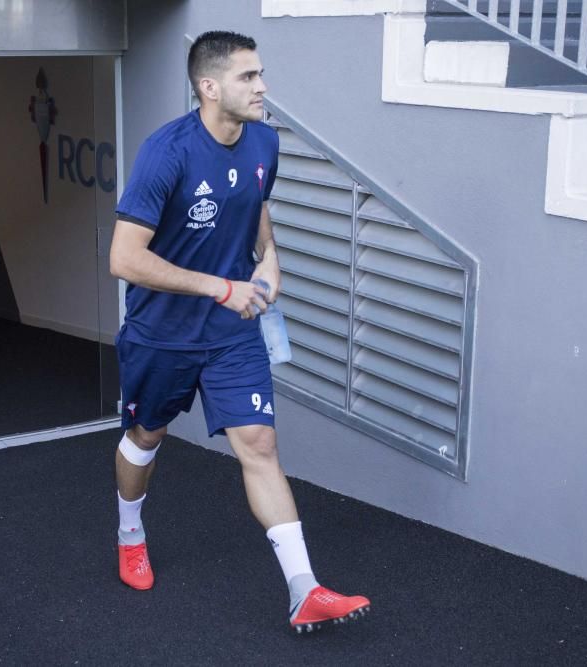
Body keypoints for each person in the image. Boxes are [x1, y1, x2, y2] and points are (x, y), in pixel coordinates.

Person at [108, 31, 370, 633]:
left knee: (260, 444)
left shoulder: (263, 142)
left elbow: (254, 204)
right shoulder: (165, 153)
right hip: (161, 333)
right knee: (145, 439)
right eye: (249, 77)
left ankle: (304, 588)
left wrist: (268, 257)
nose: (262, 87)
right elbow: (124, 258)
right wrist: (219, 286)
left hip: (231, 332)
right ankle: (129, 533)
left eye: (261, 74)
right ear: (209, 87)